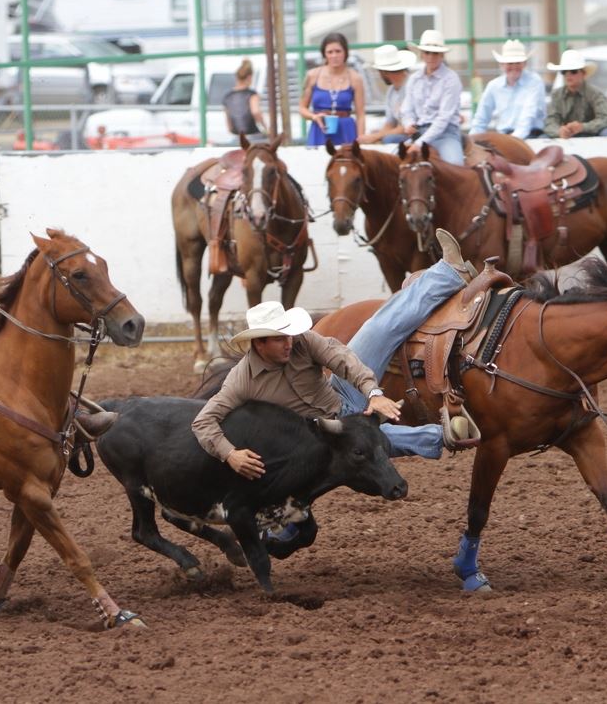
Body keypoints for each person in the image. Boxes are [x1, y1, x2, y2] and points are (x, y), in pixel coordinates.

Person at [193, 229, 476, 498]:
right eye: (279, 339)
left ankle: (449, 273)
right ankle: (453, 433)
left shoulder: (302, 341)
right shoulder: (242, 380)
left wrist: (373, 393)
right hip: (325, 432)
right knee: (373, 441)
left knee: (376, 328)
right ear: (259, 343)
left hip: (340, 395)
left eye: (288, 335)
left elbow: (341, 359)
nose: (289, 342)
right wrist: (230, 454)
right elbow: (203, 421)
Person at [400, 29, 464, 165]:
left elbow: (444, 117)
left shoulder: (451, 79)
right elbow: (407, 108)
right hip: (419, 132)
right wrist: (409, 123)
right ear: (421, 55)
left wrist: (419, 143)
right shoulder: (414, 79)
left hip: (446, 134)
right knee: (393, 165)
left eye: (435, 53)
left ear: (442, 56)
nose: (430, 57)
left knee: (455, 164)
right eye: (427, 52)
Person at [469, 39, 546, 139]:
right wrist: (472, 139)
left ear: (525, 64)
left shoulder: (534, 81)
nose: (514, 66)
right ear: (501, 65)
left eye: (518, 62)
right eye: (509, 63)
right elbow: (481, 117)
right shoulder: (494, 86)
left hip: (532, 135)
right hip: (505, 136)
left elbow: (529, 114)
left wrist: (514, 139)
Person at [299, 32, 366, 147]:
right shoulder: (313, 75)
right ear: (324, 54)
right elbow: (302, 108)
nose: (334, 56)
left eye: (338, 51)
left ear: (345, 53)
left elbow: (360, 114)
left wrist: (360, 140)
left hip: (346, 129)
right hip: (320, 128)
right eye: (330, 52)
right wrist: (314, 117)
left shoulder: (355, 78)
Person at [544, 49, 607, 139]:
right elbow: (550, 122)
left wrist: (583, 127)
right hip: (565, 136)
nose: (568, 75)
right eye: (564, 72)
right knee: (543, 137)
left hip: (591, 134)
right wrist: (559, 131)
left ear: (583, 73)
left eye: (573, 71)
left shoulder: (595, 94)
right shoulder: (556, 95)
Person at [357, 44, 417, 145]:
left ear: (385, 72)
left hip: (415, 134)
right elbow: (390, 123)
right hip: (405, 133)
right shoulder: (391, 91)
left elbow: (407, 126)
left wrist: (377, 136)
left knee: (389, 139)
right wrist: (377, 136)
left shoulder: (412, 86)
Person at [222, 58, 267, 143]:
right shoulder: (252, 94)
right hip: (253, 135)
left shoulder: (227, 96)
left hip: (237, 137)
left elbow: (229, 124)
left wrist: (233, 131)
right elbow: (256, 112)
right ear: (249, 77)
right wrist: (266, 129)